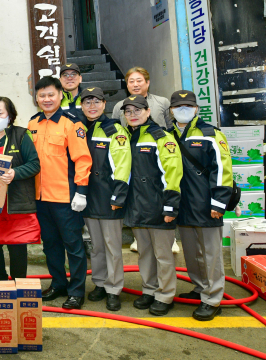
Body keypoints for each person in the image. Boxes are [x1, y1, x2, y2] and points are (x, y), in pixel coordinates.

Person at [27, 76, 92, 309]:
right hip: (40, 198)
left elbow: (82, 159)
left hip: (66, 198)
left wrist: (81, 192)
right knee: (50, 245)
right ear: (36, 98)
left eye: (51, 95)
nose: (46, 99)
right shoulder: (32, 123)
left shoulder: (72, 123)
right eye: (42, 95)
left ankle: (76, 291)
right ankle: (58, 283)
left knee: (73, 246)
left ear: (60, 96)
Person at [170, 90, 233, 321]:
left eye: (188, 106)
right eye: (178, 106)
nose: (183, 110)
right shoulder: (169, 135)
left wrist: (218, 203)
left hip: (207, 206)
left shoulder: (210, 133)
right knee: (192, 253)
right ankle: (199, 288)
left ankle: (213, 299)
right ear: (171, 111)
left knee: (211, 255)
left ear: (196, 109)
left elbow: (223, 170)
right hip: (183, 206)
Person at [122, 95, 183, 316]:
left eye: (137, 110)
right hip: (137, 206)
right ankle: (149, 290)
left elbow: (173, 173)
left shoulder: (161, 137)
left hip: (158, 206)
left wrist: (170, 206)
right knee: (144, 253)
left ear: (148, 112)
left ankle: (165, 295)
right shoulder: (126, 137)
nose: (133, 114)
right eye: (128, 111)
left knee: (163, 255)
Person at [111, 67, 178, 254]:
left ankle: (169, 237)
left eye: (139, 80)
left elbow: (170, 126)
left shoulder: (161, 102)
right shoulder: (118, 107)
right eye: (131, 81)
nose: (135, 84)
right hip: (132, 152)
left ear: (147, 82)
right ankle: (137, 237)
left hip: (156, 152)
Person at [0, 96, 41, 280]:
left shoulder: (21, 135)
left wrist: (15, 173)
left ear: (10, 116)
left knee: (17, 247)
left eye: (0, 112)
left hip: (15, 204)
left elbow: (35, 164)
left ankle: (18, 289)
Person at [78, 88, 131, 311]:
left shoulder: (114, 130)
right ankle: (99, 283)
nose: (92, 106)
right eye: (87, 102)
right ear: (81, 106)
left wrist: (118, 196)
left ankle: (114, 288)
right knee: (96, 247)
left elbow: (123, 164)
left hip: (109, 198)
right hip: (89, 198)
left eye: (96, 102)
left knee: (112, 247)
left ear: (104, 104)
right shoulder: (80, 129)